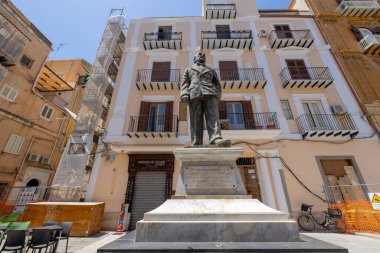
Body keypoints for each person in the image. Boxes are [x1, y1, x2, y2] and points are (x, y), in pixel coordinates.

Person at [180, 52, 231, 147]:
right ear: (194, 59)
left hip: (210, 92)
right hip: (194, 93)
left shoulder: (210, 70)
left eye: (202, 56)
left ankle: (215, 138)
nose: (200, 57)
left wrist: (218, 93)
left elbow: (217, 83)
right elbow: (185, 83)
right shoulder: (189, 69)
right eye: (198, 56)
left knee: (213, 115)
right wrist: (184, 94)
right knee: (195, 118)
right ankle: (196, 141)